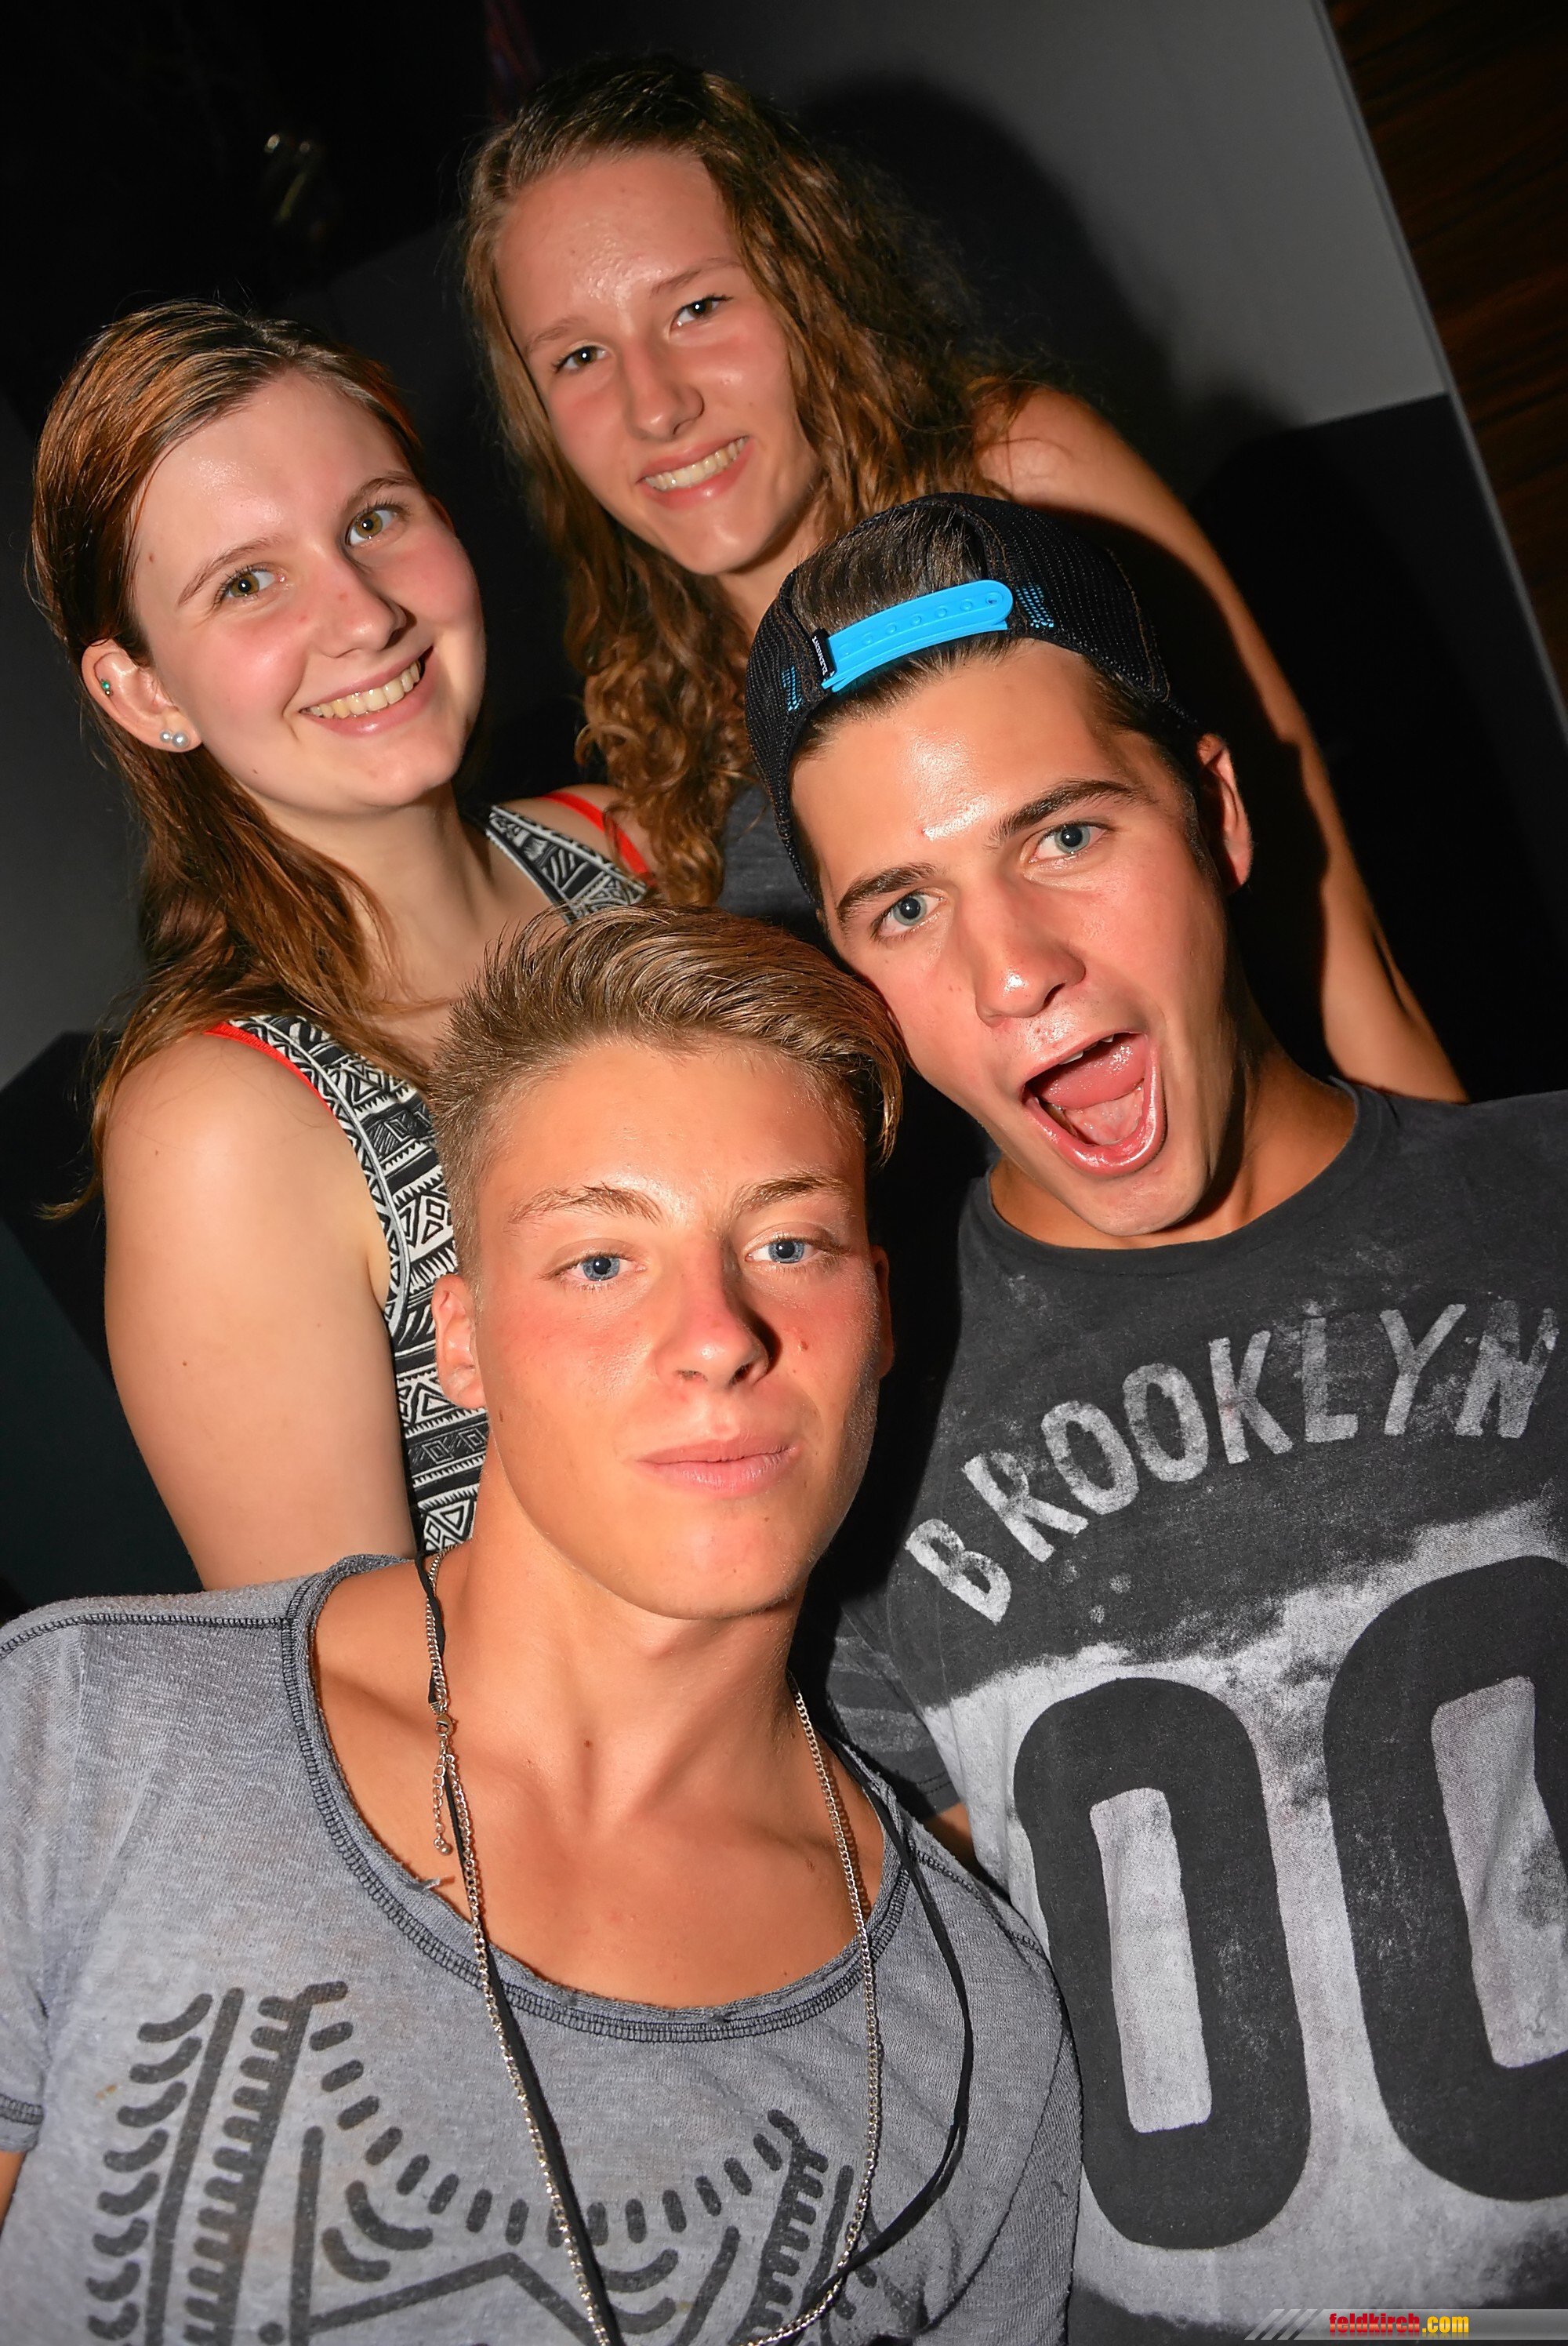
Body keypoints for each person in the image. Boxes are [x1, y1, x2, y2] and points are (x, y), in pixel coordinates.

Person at [0, 906, 1080, 2344]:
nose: (719, 1335)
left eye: (789, 1243)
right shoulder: (76, 1739)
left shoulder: (979, 2038)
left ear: (879, 1316)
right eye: (601, 1263)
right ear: (462, 1341)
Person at [742, 494, 1568, 2333]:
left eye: (1064, 832)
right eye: (903, 905)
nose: (1010, 966)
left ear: (1217, 810)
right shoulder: (849, 1415)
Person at [462, 52, 1460, 1099]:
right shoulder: (648, 707)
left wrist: (1463, 1193)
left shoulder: (1024, 482)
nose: (656, 407)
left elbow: (1343, 956)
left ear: (807, 284)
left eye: (697, 308)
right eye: (578, 357)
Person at [31, 302, 644, 1586]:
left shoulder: (638, 848)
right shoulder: (224, 1127)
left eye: (373, 520)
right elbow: (363, 1678)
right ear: (147, 692)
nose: (362, 615)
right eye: (247, 583)